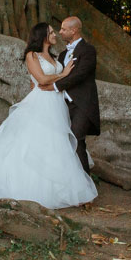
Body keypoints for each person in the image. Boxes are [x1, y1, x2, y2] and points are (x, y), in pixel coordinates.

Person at [0, 22, 98, 209]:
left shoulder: (58, 56)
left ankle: (64, 188)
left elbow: (42, 82)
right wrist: (63, 74)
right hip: (42, 103)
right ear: (42, 36)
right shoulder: (31, 55)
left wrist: (59, 77)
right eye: (51, 32)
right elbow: (40, 80)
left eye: (57, 31)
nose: (55, 34)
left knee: (57, 143)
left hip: (58, 104)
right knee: (34, 142)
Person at [41, 16, 99, 174]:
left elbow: (80, 75)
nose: (60, 32)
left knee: (77, 138)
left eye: (63, 29)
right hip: (62, 105)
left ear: (74, 30)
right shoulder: (62, 55)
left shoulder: (88, 50)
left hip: (82, 104)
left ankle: (85, 185)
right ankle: (69, 180)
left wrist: (54, 86)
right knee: (61, 141)